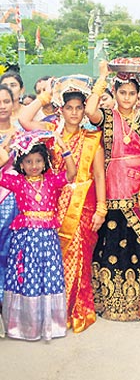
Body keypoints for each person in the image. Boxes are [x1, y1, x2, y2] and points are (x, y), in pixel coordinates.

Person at [17, 75, 106, 333]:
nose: (75, 113)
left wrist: (101, 208)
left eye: (79, 108)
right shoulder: (51, 133)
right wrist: (45, 95)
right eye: (69, 108)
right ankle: (54, 312)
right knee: (53, 260)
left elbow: (99, 175)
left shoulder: (92, 138)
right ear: (61, 109)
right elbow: (23, 120)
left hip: (83, 205)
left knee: (79, 259)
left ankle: (76, 310)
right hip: (52, 207)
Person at [85, 61, 140, 322]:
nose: (127, 98)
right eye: (122, 92)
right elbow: (89, 109)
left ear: (138, 95)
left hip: (137, 188)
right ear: (115, 93)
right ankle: (110, 302)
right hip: (111, 189)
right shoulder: (106, 116)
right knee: (111, 245)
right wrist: (103, 76)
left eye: (132, 93)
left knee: (136, 245)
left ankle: (136, 304)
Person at [0, 131, 77, 340]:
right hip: (25, 241)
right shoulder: (18, 183)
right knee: (27, 278)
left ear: (45, 162)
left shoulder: (52, 181)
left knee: (48, 278)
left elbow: (72, 174)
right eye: (28, 161)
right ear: (21, 165)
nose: (33, 165)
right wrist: (6, 147)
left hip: (48, 241)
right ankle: (26, 327)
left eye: (38, 161)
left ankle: (51, 325)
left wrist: (64, 148)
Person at [0, 84, 22, 333]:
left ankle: (9, 311)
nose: (2, 106)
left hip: (13, 201)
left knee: (11, 253)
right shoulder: (10, 137)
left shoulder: (19, 132)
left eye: (6, 101)